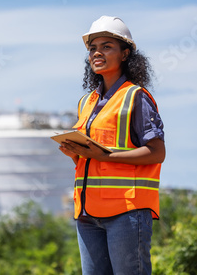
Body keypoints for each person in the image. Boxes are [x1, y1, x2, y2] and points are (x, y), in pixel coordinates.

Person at [59, 15, 166, 275]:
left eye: (107, 46)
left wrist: (106, 155)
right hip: (87, 212)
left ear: (125, 54)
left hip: (126, 212)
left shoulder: (135, 97)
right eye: (93, 48)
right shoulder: (87, 102)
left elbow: (157, 152)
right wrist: (76, 152)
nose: (97, 52)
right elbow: (93, 156)